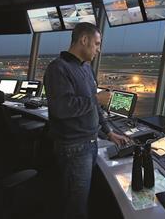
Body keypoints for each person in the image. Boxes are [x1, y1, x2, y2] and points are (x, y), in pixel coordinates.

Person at [44, 22, 128, 219]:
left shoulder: (87, 68)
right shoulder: (58, 69)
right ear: (84, 40)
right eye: (97, 44)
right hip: (73, 147)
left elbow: (94, 107)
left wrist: (108, 132)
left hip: (89, 144)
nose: (98, 50)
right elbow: (62, 108)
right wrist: (96, 98)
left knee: (82, 199)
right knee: (76, 205)